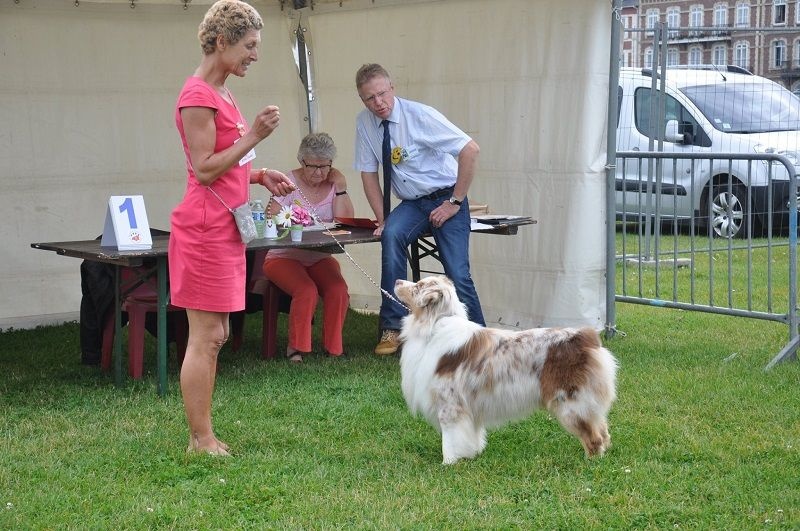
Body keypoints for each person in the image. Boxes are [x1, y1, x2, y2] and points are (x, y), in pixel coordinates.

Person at [169, 0, 295, 456]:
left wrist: (258, 175)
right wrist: (255, 135)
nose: (255, 55)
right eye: (250, 45)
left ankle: (204, 432)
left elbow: (227, 161)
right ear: (222, 42)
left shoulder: (223, 92)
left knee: (218, 335)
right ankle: (200, 438)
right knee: (205, 337)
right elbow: (204, 169)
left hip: (224, 227)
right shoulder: (198, 95)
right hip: (204, 228)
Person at [354, 63, 486, 356]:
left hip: (446, 197)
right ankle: (393, 328)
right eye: (370, 98)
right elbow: (368, 172)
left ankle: (478, 338)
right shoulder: (364, 123)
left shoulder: (420, 115)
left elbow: (470, 149)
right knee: (391, 235)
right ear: (362, 100)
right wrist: (383, 218)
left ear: (392, 88)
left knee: (457, 271)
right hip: (412, 203)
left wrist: (454, 202)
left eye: (382, 94)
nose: (379, 103)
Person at [262, 132, 355, 363]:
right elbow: (269, 218)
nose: (319, 173)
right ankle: (296, 348)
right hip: (283, 256)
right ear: (301, 161)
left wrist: (341, 187)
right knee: (306, 290)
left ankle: (334, 347)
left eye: (325, 166)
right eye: (313, 166)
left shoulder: (333, 184)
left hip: (319, 256)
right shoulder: (287, 181)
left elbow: (345, 222)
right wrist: (293, 222)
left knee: (338, 289)